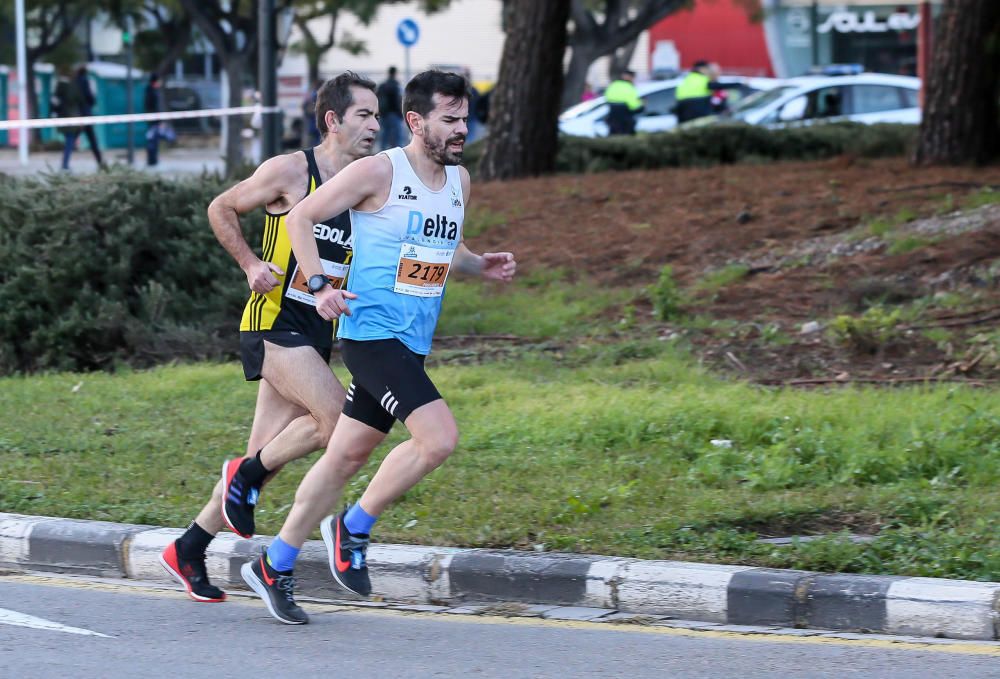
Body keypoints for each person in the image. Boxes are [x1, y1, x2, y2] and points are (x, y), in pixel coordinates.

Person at [240, 70, 516, 625]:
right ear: (416, 121)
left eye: (465, 118)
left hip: (411, 342)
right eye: (449, 119)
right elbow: (301, 216)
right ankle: (352, 527)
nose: (462, 129)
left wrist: (476, 264)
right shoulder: (378, 172)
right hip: (371, 336)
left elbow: (442, 248)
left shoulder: (459, 183)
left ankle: (274, 563)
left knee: (345, 455)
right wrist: (319, 285)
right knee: (438, 439)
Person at [158, 72, 381, 603]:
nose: (376, 125)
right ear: (333, 121)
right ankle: (245, 473)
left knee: (265, 461)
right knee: (335, 419)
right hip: (272, 323)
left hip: (316, 332)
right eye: (364, 115)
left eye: (378, 115)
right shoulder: (290, 170)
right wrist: (250, 262)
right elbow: (221, 206)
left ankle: (188, 547)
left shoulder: (364, 183)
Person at [51, 66, 85, 171]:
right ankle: (65, 164)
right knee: (70, 140)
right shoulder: (72, 86)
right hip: (72, 117)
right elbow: (80, 100)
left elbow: (54, 102)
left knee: (70, 140)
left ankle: (65, 163)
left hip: (64, 117)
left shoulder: (59, 86)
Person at [74, 65, 104, 168]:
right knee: (92, 139)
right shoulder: (85, 81)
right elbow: (90, 97)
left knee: (72, 138)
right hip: (86, 113)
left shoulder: (74, 81)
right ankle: (100, 161)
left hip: (76, 114)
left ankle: (65, 163)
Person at [604, 70, 643, 136]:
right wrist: (642, 104)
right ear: (630, 77)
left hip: (612, 116)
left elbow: (607, 98)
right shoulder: (629, 87)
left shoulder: (613, 85)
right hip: (625, 118)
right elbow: (634, 105)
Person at [376, 66, 403, 150]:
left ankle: (381, 153)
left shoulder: (382, 85)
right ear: (395, 73)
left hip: (383, 114)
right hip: (395, 114)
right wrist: (401, 114)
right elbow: (398, 101)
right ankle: (397, 155)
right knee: (397, 137)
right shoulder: (396, 85)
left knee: (384, 136)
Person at [144, 73, 164, 166]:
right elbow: (155, 107)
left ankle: (153, 160)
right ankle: (151, 161)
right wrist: (159, 121)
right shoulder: (152, 92)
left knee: (154, 142)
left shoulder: (152, 91)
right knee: (152, 141)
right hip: (153, 121)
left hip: (154, 120)